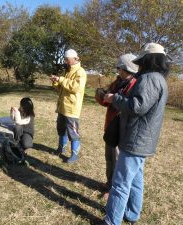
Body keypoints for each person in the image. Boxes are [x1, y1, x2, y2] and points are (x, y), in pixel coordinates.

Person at [102, 43, 170, 225]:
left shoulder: (149, 78)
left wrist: (114, 98)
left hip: (135, 140)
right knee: (136, 179)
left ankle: (111, 221)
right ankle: (132, 214)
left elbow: (136, 107)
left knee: (120, 183)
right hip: (144, 141)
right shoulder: (160, 79)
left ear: (149, 60)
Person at [95, 54, 138, 199]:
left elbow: (132, 106)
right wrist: (101, 96)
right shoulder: (117, 82)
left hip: (124, 128)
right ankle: (109, 183)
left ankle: (113, 189)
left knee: (119, 161)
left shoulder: (136, 84)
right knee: (110, 157)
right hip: (111, 125)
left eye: (120, 68)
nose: (118, 70)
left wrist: (115, 99)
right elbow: (106, 102)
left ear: (125, 68)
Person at [50, 49, 87, 163]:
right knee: (61, 129)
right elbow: (62, 88)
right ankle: (61, 149)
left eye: (67, 60)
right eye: (65, 59)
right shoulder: (67, 71)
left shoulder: (80, 72)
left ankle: (74, 154)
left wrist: (61, 79)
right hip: (62, 107)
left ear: (75, 59)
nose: (65, 62)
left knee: (73, 132)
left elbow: (76, 88)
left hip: (72, 109)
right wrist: (56, 81)